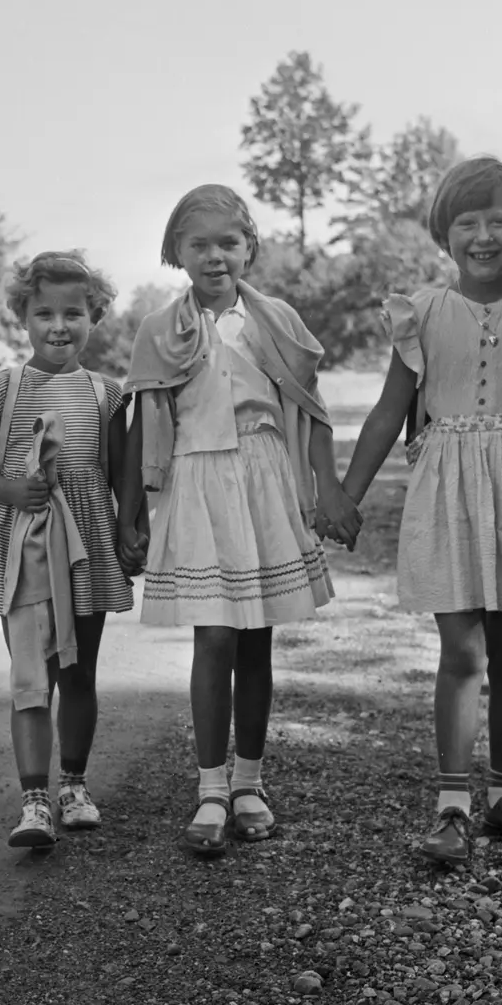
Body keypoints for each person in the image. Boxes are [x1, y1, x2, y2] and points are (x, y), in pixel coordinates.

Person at [340, 156, 502, 865]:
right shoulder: (420, 314)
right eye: (467, 222)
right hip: (449, 483)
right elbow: (392, 409)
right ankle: (452, 807)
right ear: (444, 234)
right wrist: (348, 495)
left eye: (499, 221)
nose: (484, 236)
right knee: (461, 651)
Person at [118, 184, 362, 858]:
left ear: (250, 248)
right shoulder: (161, 330)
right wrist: (130, 513)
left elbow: (310, 411)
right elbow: (143, 422)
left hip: (262, 477)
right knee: (215, 638)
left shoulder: (276, 320)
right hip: (197, 480)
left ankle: (250, 782)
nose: (215, 256)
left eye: (229, 242)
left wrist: (329, 488)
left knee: (257, 640)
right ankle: (209, 787)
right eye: (199, 244)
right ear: (176, 253)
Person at [0, 251, 137, 849]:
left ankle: (74, 787)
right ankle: (33, 801)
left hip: (84, 549)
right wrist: (13, 489)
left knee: (80, 672)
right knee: (30, 677)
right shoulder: (3, 389)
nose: (58, 326)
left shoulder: (108, 395)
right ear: (24, 318)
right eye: (44, 314)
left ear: (96, 318)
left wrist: (130, 531)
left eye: (73, 314)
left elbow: (122, 476)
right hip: (22, 548)